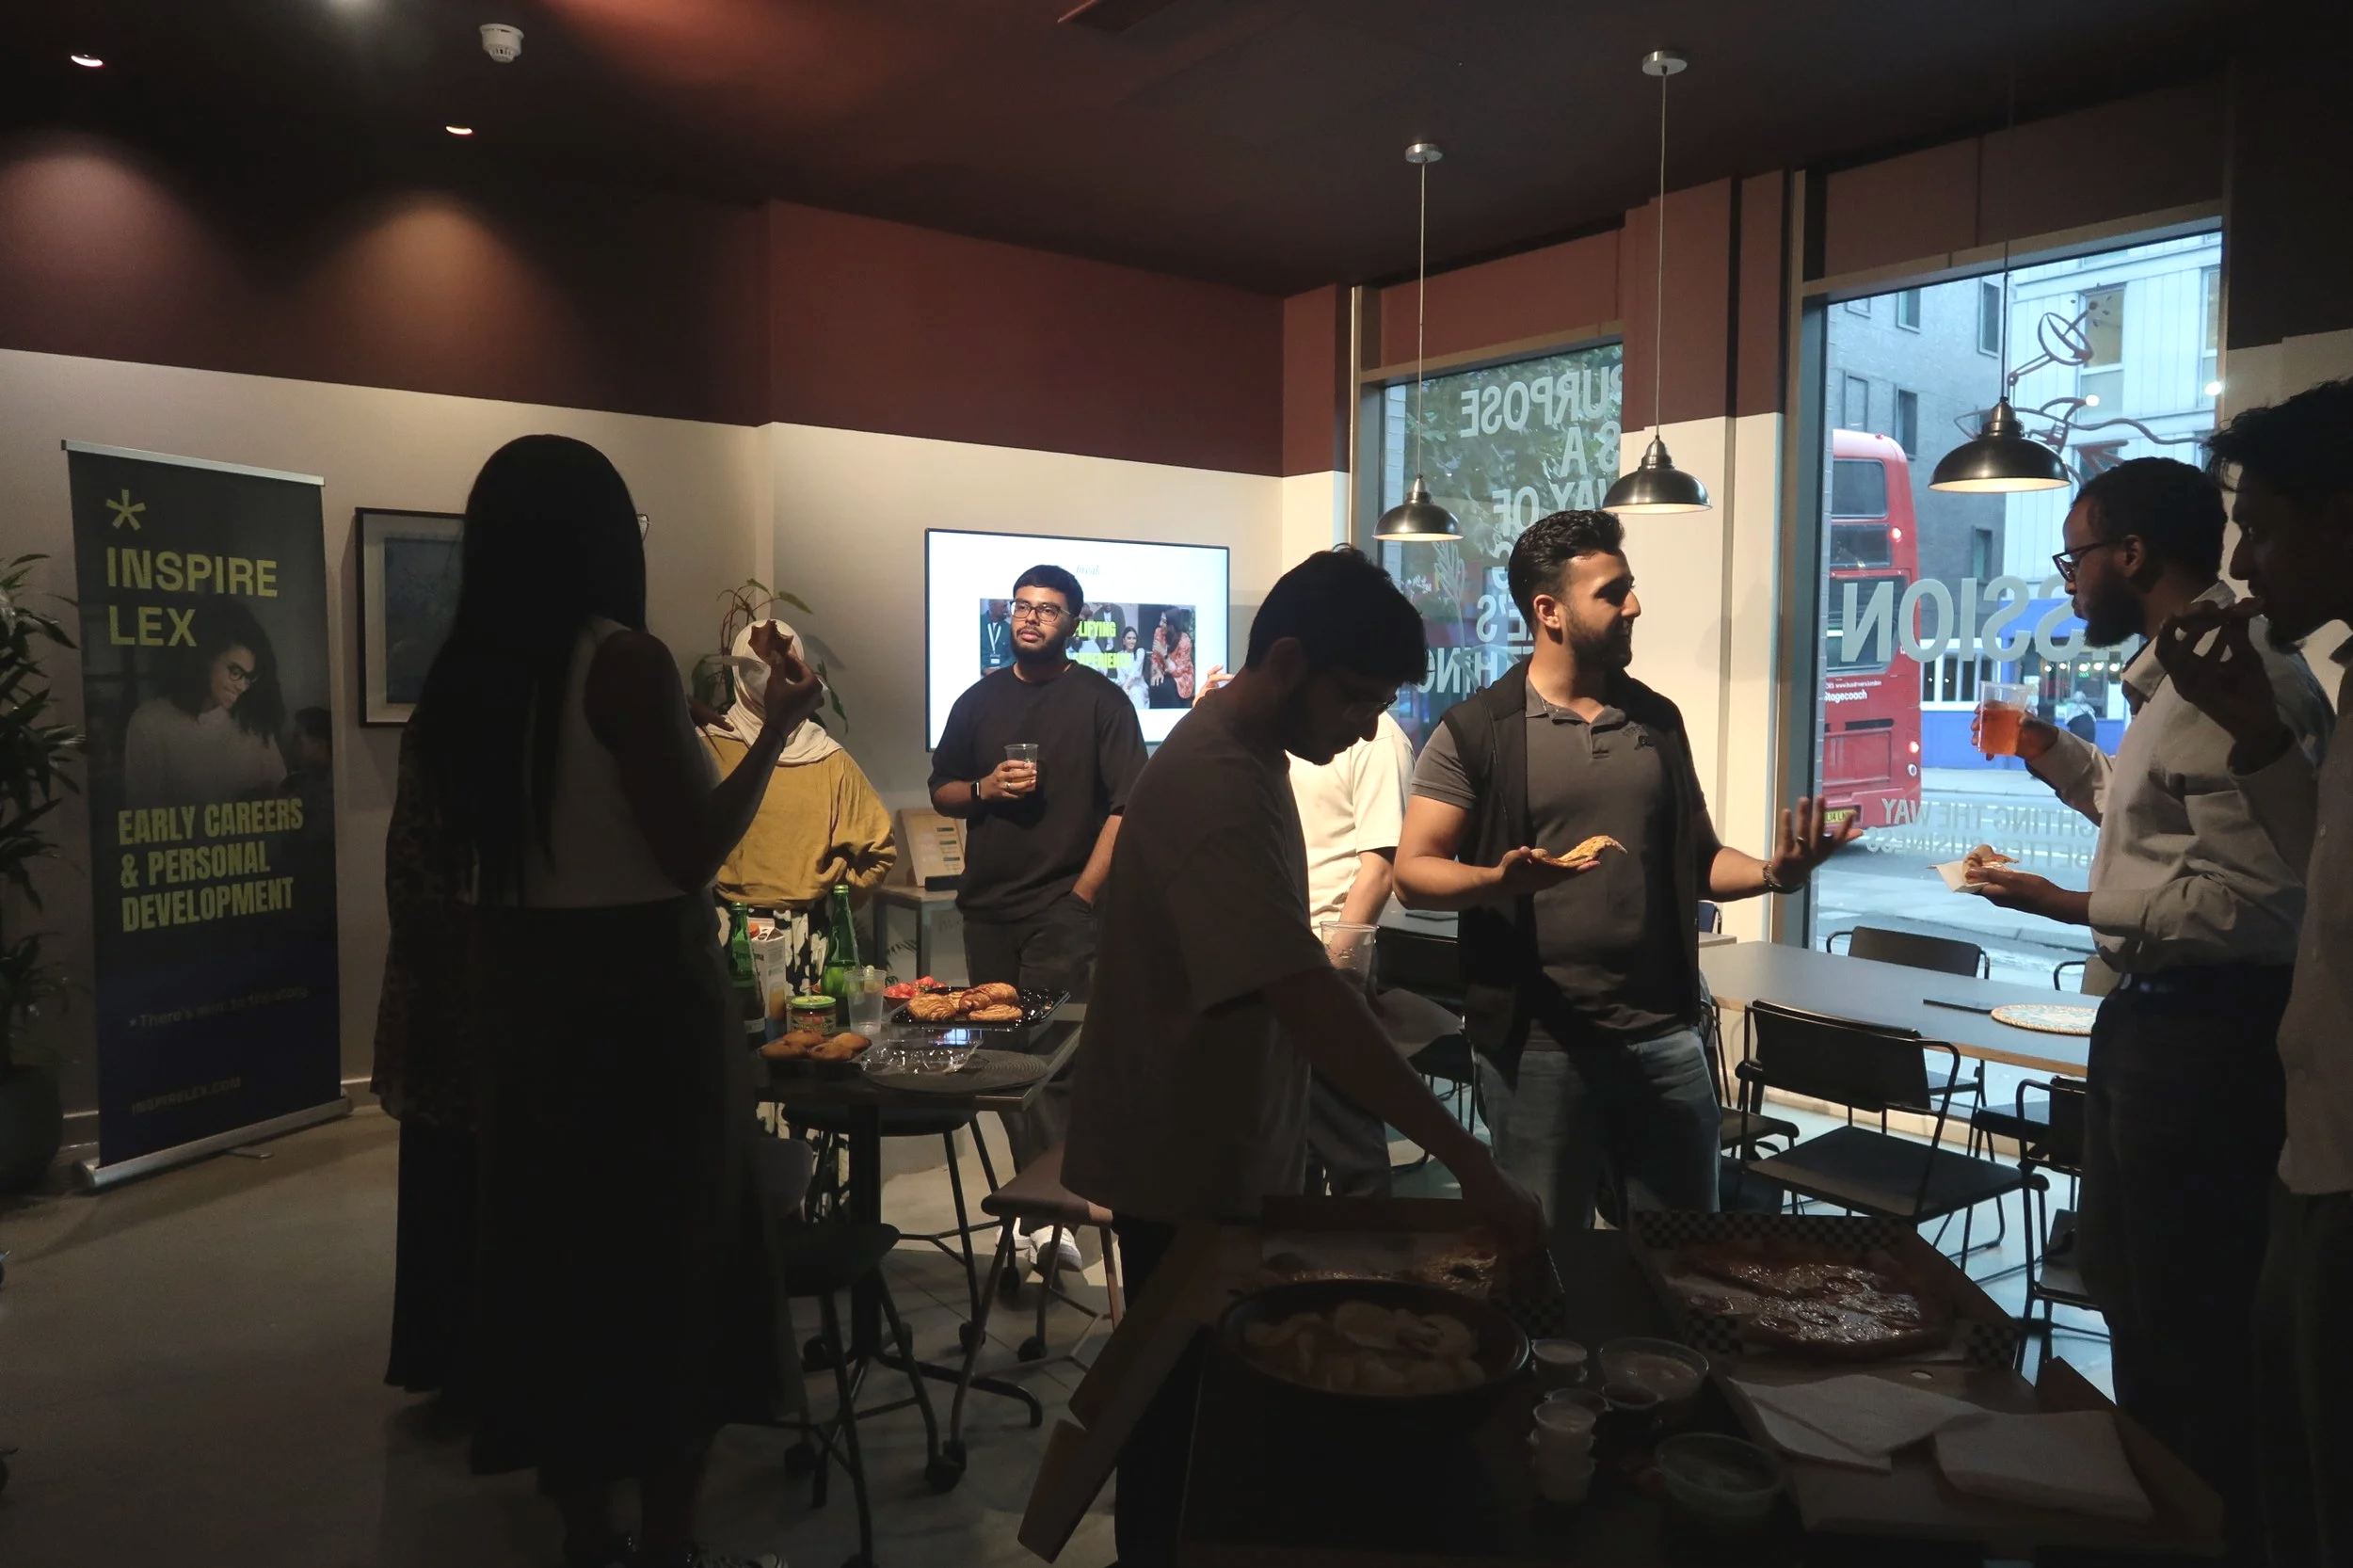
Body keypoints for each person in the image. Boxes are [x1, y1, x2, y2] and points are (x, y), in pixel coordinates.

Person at [1063, 546, 1545, 1568]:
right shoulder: (1216, 783)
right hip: (1181, 1156)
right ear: (1287, 662)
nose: (1367, 728)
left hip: (1203, 1142)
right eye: (1358, 698)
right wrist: (1470, 1160)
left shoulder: (1243, 754)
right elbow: (1302, 995)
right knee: (1180, 1428)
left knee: (1189, 1415)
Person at [408, 434, 821, 1568]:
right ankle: (672, 1537)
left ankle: (587, 1531)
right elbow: (690, 851)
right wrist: (779, 728)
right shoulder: (623, 662)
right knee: (672, 1264)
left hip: (519, 988)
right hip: (638, 991)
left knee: (559, 1263)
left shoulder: (466, 674)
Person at [1966, 456, 2331, 1561]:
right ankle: (2158, 1519)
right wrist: (2054, 754)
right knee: (2134, 1292)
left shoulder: (2242, 675)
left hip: (2204, 1039)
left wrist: (2067, 903)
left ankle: (2192, 1528)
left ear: (2130, 555)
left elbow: (2256, 900)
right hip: (2159, 1026)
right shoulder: (2180, 681)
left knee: (2183, 1324)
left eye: (2074, 556)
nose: (2067, 579)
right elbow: (2165, 827)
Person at [1393, 509, 1857, 1231]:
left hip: (1665, 1036)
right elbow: (1413, 873)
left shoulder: (1658, 721)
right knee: (1545, 1250)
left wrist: (1776, 873)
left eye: (1630, 587)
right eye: (1612, 593)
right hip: (1537, 1045)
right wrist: (1498, 882)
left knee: (1683, 1251)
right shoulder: (1478, 730)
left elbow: (1699, 861)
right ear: (1548, 611)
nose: (1634, 606)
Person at [2153, 379, 2353, 1568]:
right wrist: (2256, 731)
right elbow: (2320, 871)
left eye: (2264, 528)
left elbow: (2265, 900)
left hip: (2339, 1164)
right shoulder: (2335, 688)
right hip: (2308, 1150)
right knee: (2291, 1479)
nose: (2241, 563)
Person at [929, 563, 1146, 1274]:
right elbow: (942, 790)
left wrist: (1081, 899)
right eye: (1022, 606)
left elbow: (1128, 808)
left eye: (1048, 609)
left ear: (1073, 622)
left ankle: (1061, 1215)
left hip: (1065, 910)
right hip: (987, 910)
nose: (1031, 618)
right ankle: (1037, 1210)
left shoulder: (1102, 702)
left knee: (1054, 1070)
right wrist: (984, 788)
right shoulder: (977, 699)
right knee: (1003, 1066)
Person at [699, 617, 896, 997]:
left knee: (809, 1031)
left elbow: (879, 850)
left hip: (809, 942)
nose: (771, 674)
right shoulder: (709, 745)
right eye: (759, 664)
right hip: (725, 934)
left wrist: (832, 902)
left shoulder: (829, 759)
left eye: (782, 663)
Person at [123, 598, 288, 808]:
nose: (242, 686)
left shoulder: (252, 722)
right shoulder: (149, 722)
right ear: (203, 658)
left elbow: (281, 791)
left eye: (249, 677)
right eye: (235, 671)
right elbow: (143, 812)